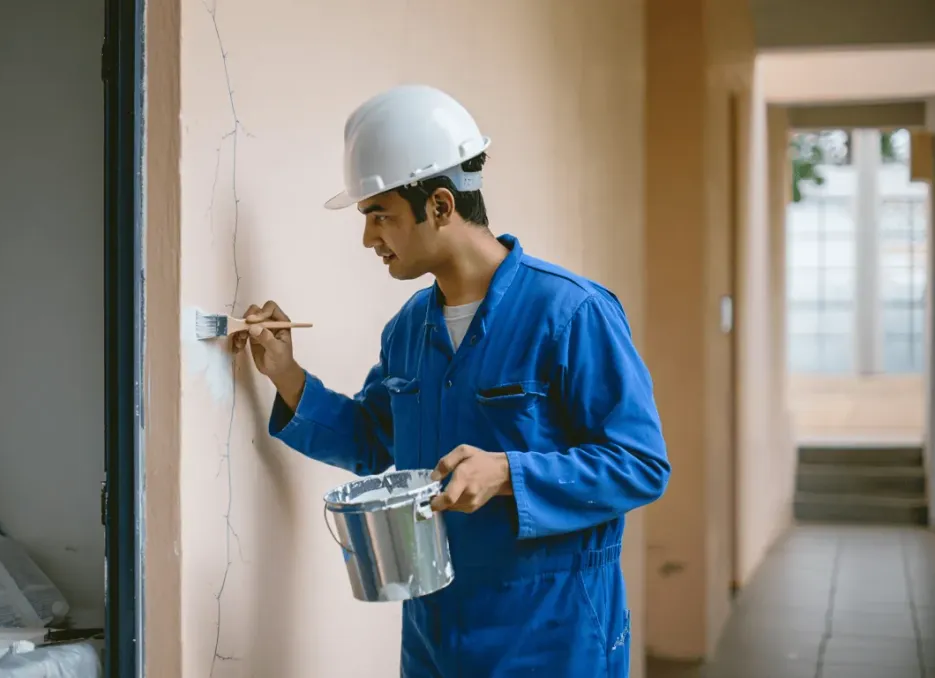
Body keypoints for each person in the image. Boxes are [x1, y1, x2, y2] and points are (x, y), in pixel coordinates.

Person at [234, 84, 670, 678]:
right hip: (436, 634)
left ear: (440, 205)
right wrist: (285, 373)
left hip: (553, 637)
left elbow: (641, 465)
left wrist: (508, 474)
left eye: (379, 215)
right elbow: (372, 442)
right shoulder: (408, 330)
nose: (369, 239)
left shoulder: (570, 313)